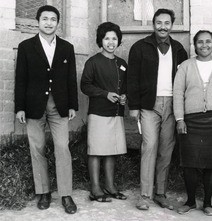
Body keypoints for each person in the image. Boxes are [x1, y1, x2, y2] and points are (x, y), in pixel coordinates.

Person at [14, 5, 78, 214]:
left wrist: (72, 105)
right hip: (34, 106)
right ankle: (43, 192)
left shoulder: (67, 47)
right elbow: (21, 79)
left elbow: (71, 78)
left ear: (57, 23)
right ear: (38, 22)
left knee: (62, 147)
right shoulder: (26, 46)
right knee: (37, 148)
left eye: (53, 19)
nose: (49, 23)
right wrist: (20, 107)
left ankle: (66, 194)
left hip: (59, 106)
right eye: (45, 19)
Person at [127, 8, 188, 210]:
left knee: (166, 149)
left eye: (167, 23)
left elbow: (184, 81)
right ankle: (145, 195)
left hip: (172, 104)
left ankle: (160, 193)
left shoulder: (179, 49)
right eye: (159, 23)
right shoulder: (140, 47)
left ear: (172, 25)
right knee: (149, 146)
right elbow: (132, 79)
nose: (163, 27)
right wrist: (134, 107)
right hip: (149, 105)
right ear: (154, 24)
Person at [173, 30, 212, 216]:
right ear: (194, 45)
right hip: (192, 121)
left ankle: (208, 203)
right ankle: (191, 201)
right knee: (189, 163)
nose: (204, 45)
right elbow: (178, 94)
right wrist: (180, 119)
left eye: (208, 42)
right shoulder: (185, 66)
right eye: (200, 42)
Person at [81, 22, 127, 203]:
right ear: (100, 40)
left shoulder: (122, 63)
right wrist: (105, 94)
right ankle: (95, 188)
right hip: (99, 113)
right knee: (96, 151)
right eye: (107, 38)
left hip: (116, 113)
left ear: (118, 41)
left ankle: (109, 185)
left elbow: (125, 86)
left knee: (111, 151)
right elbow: (85, 85)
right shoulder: (93, 62)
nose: (110, 42)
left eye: (114, 38)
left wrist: (124, 97)